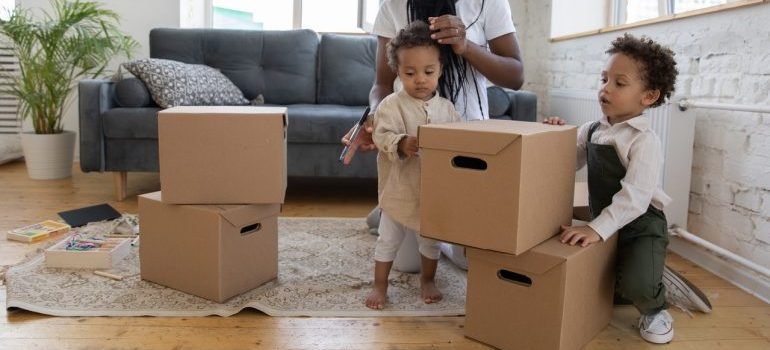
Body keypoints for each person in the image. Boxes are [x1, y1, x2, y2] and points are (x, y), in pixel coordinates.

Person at [343, 0, 524, 272]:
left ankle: (392, 213)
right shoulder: (392, 4)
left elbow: (516, 76)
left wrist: (466, 47)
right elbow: (381, 83)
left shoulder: (488, 3)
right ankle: (393, 208)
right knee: (408, 265)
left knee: (467, 259)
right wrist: (376, 119)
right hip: (409, 146)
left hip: (468, 139)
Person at [543, 33, 679, 344]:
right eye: (604, 79)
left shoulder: (644, 140)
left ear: (648, 96)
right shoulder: (592, 130)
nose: (605, 88)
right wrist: (553, 134)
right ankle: (636, 274)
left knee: (638, 287)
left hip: (640, 224)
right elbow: (563, 161)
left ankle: (656, 309)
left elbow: (635, 199)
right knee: (598, 284)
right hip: (604, 221)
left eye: (619, 83)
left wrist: (595, 229)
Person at [365, 20, 462, 310]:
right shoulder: (391, 106)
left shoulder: (447, 109)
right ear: (398, 72)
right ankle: (380, 285)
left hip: (432, 194)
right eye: (410, 73)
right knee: (387, 240)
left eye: (428, 72)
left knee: (430, 242)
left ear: (440, 69)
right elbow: (381, 136)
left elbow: (458, 143)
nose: (420, 79)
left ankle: (428, 280)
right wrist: (402, 143)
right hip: (399, 190)